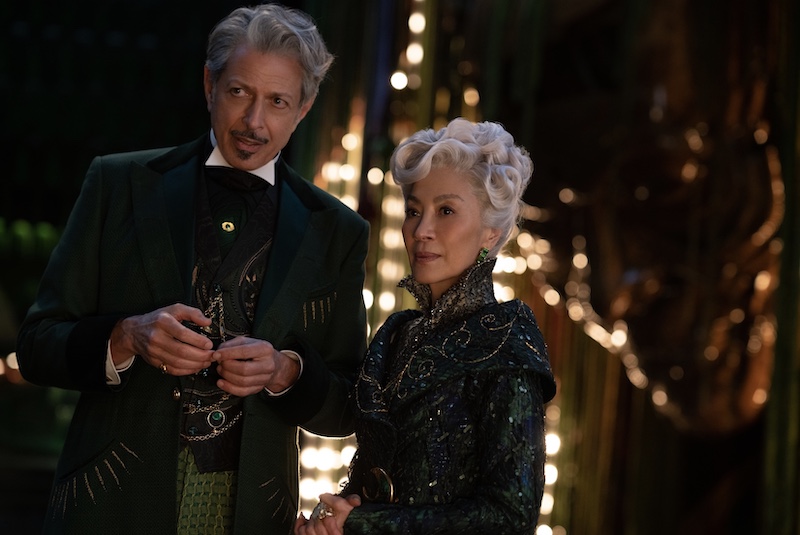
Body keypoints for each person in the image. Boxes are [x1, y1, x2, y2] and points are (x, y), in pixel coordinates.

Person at [16, 4, 369, 534]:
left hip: (251, 518)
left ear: (304, 107)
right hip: (108, 506)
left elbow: (347, 405)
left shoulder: (338, 230)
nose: (254, 122)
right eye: (239, 92)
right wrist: (125, 337)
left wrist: (284, 371)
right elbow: (36, 345)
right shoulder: (117, 185)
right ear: (209, 85)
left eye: (277, 101)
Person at [295, 118, 557, 535]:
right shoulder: (396, 334)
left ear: (491, 233)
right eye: (414, 211)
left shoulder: (505, 339)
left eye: (446, 211)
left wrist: (365, 524)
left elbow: (510, 516)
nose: (421, 230)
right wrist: (333, 520)